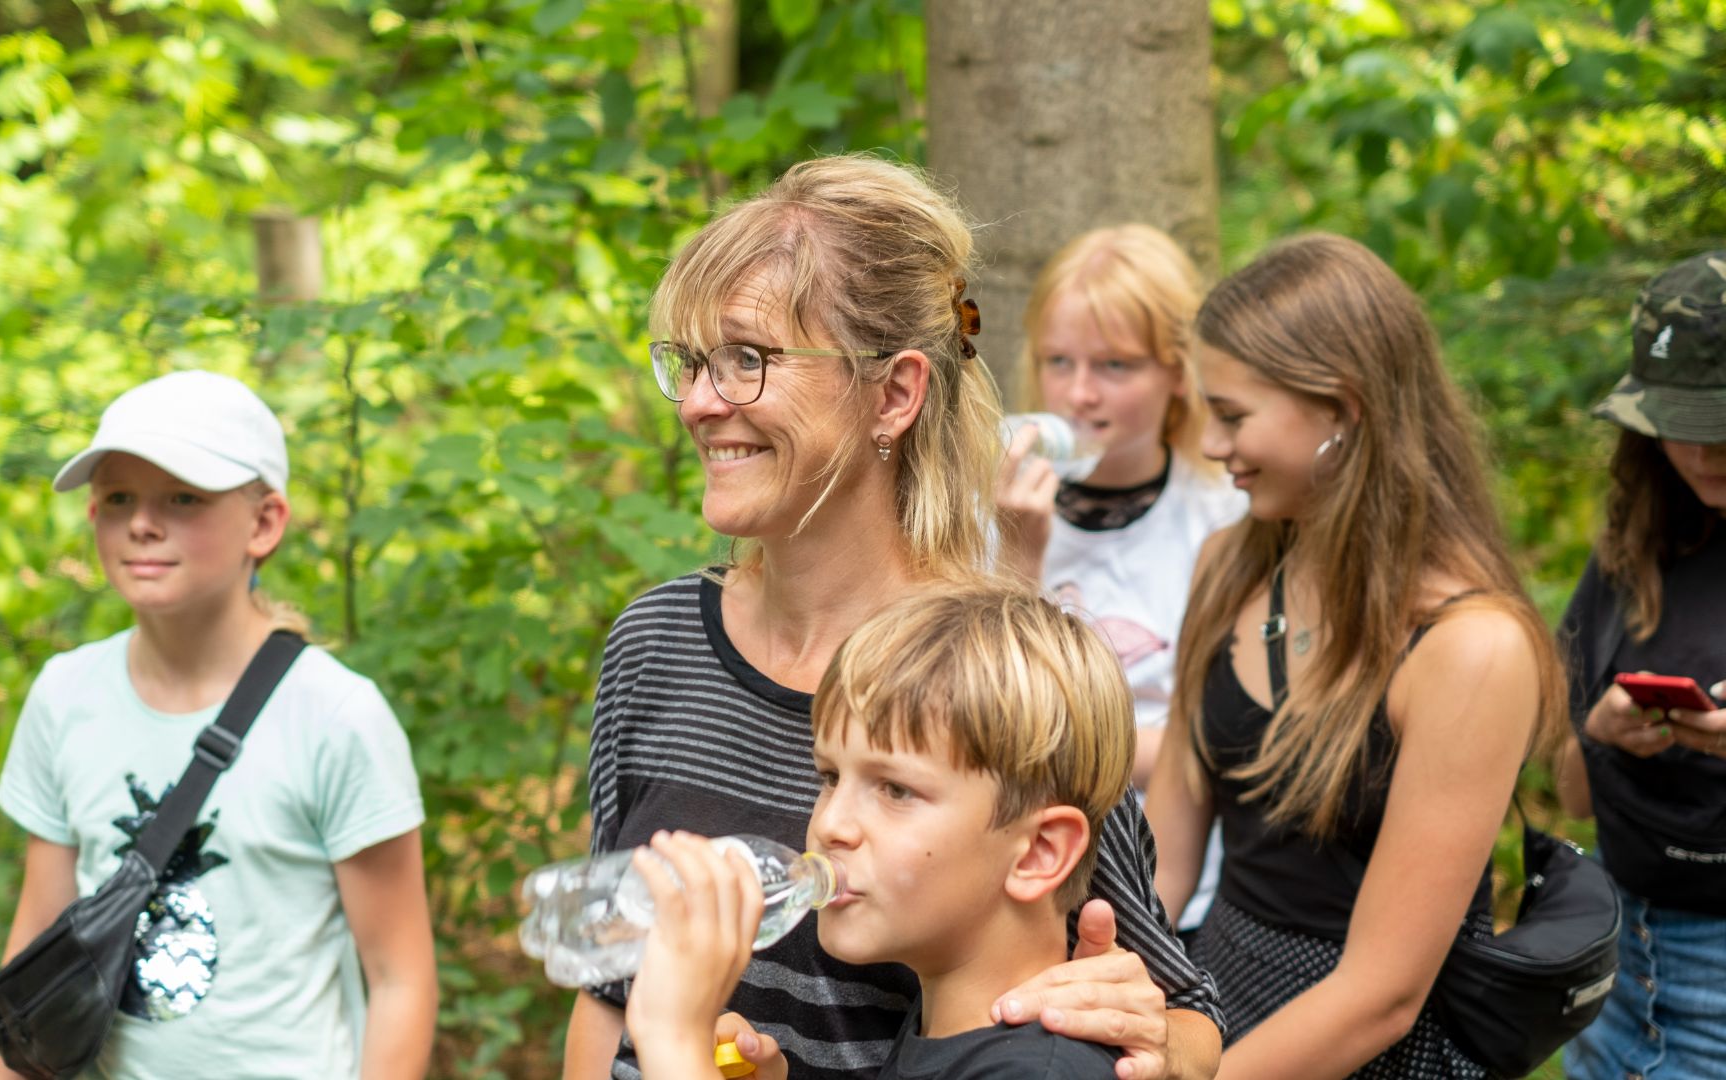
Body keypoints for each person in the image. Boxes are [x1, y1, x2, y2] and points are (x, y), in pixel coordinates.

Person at [569, 155, 1224, 1080]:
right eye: (692, 362)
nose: (703, 403)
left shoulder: (994, 673)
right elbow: (608, 986)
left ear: (895, 393)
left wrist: (1149, 1038)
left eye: (749, 360)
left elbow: (1188, 1026)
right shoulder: (657, 640)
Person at [1145, 233, 1568, 1077]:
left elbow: (1382, 993)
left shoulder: (1470, 649)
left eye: (1232, 416)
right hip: (1215, 999)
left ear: (1341, 408)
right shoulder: (1230, 565)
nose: (1214, 446)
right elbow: (1165, 855)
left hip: (1371, 1051)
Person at [0, 371, 436, 1080]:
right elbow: (37, 937)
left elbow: (400, 979)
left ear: (264, 524)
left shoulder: (336, 717)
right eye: (118, 498)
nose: (142, 522)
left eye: (184, 497)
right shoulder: (64, 696)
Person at [623, 584, 1136, 1080]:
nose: (829, 824)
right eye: (829, 777)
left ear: (1038, 853)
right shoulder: (944, 1036)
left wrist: (674, 1044)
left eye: (895, 790)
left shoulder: (1035, 1073)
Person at [996, 224, 1244, 938]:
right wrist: (1018, 562)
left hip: (1182, 899)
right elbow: (972, 719)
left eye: (1114, 366)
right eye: (1058, 361)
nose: (1080, 394)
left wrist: (1065, 742)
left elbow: (1229, 745)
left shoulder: (1224, 514)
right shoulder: (989, 511)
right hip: (1015, 893)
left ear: (1176, 371)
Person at [1554, 251, 1726, 1078]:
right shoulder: (1635, 545)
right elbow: (1570, 792)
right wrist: (1601, 730)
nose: (1703, 450)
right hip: (1620, 951)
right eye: (1679, 421)